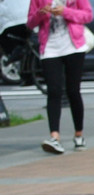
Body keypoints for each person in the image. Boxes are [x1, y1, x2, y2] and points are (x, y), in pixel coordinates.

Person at [28, 0, 90, 154]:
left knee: (73, 91)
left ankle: (79, 134)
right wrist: (40, 14)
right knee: (53, 91)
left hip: (74, 46)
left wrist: (65, 11)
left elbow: (87, 16)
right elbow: (30, 23)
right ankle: (54, 137)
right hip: (50, 47)